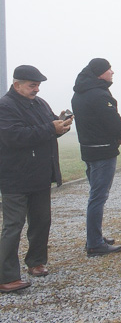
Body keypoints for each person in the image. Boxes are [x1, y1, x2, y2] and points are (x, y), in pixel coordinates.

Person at [0, 65, 72, 292]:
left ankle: (36, 261)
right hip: (14, 178)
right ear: (17, 84)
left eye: (38, 85)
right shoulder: (5, 107)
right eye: (32, 85)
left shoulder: (39, 104)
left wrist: (61, 124)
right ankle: (6, 276)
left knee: (42, 221)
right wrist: (51, 128)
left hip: (40, 175)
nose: (37, 90)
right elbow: (14, 136)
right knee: (13, 226)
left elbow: (49, 125)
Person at [71, 58, 121, 257]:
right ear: (99, 73)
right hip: (103, 151)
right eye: (108, 69)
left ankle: (94, 237)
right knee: (98, 197)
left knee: (95, 195)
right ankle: (94, 243)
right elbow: (112, 121)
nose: (112, 71)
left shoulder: (79, 93)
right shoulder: (99, 95)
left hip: (88, 150)